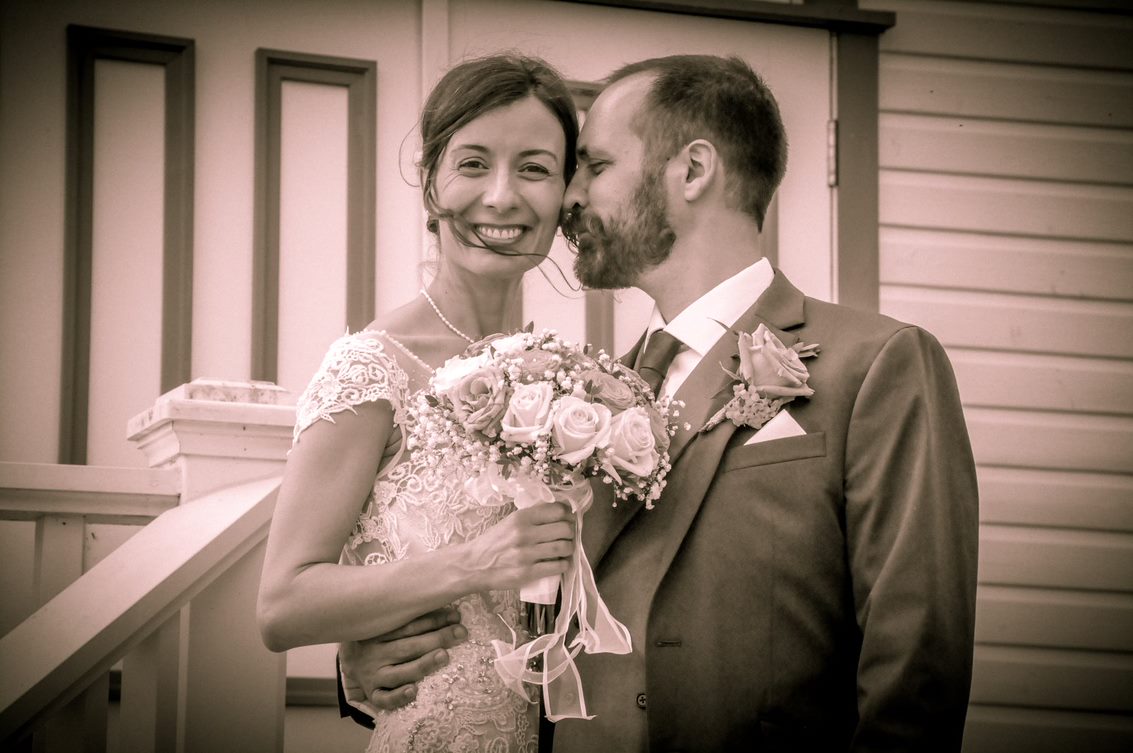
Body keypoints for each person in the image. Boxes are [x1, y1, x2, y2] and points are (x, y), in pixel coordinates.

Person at [342, 54, 980, 752]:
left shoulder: (876, 362)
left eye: (595, 165)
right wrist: (379, 664)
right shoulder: (578, 396)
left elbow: (916, 658)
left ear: (692, 170)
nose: (566, 197)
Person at [256, 53, 581, 753]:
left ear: (563, 193)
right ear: (430, 181)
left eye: (533, 168)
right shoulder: (371, 368)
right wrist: (472, 564)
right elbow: (282, 603)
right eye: (471, 164)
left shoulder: (574, 382)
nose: (501, 197)